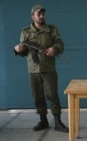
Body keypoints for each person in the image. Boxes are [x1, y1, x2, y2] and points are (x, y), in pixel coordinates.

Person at [13, 5, 68, 133]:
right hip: (33, 69)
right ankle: (43, 120)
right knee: (37, 96)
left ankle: (58, 122)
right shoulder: (26, 31)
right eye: (39, 14)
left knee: (52, 95)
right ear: (33, 16)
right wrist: (18, 50)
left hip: (48, 68)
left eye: (43, 14)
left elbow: (60, 44)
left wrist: (55, 48)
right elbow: (22, 51)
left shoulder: (52, 30)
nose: (42, 16)